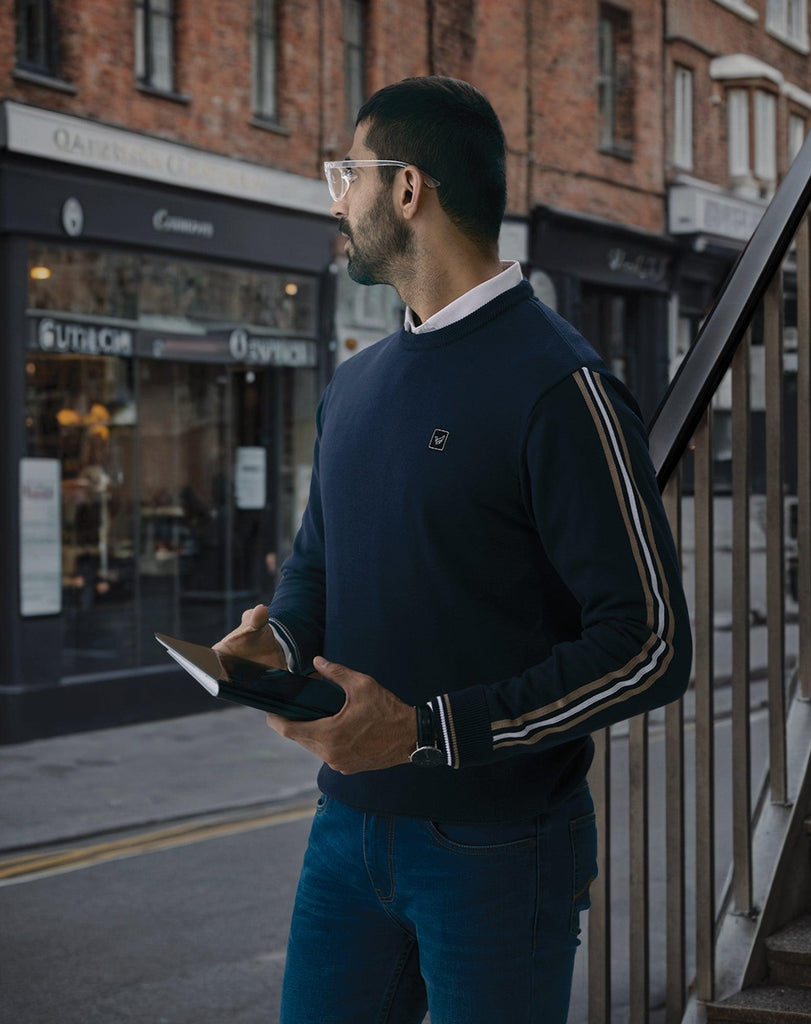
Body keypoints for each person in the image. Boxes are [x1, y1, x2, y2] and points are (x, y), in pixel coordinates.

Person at [215, 76, 692, 1024]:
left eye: (344, 175)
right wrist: (278, 646)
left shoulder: (562, 387)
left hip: (501, 846)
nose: (335, 201)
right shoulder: (353, 387)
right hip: (346, 833)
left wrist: (429, 729)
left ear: (405, 189)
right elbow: (316, 566)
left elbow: (649, 642)